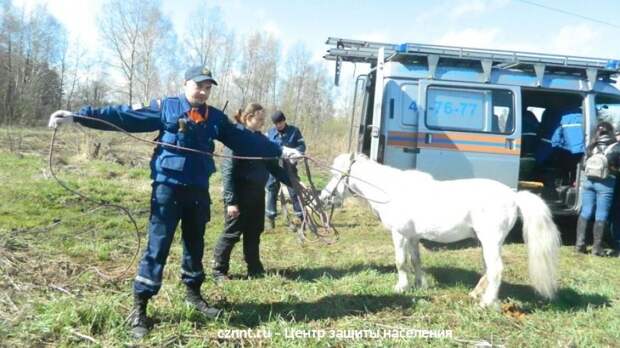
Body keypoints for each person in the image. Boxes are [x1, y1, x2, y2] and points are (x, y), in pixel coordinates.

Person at [47, 66, 302, 339]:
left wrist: (280, 150)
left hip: (197, 191)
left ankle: (194, 295)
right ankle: (140, 308)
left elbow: (244, 140)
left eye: (208, 87)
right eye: (198, 85)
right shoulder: (165, 108)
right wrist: (78, 116)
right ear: (185, 84)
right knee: (158, 246)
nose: (203, 91)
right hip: (167, 190)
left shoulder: (214, 118)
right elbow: (125, 115)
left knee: (195, 244)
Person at [212, 103, 294, 282]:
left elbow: (273, 167)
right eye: (260, 119)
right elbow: (228, 172)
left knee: (254, 231)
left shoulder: (261, 140)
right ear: (249, 118)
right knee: (232, 233)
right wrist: (231, 201)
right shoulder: (237, 138)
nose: (263, 123)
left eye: (263, 120)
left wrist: (294, 183)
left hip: (257, 195)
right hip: (239, 196)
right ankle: (219, 271)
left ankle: (254, 268)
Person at [575, 121, 617, 256]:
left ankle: (579, 245)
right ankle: (596, 248)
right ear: (611, 132)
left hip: (589, 182)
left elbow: (582, 165)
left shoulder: (591, 146)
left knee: (585, 212)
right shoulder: (616, 147)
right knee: (601, 214)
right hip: (606, 184)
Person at [265, 111, 306, 229]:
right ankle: (270, 217)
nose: (278, 125)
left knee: (294, 189)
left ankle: (299, 216)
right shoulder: (270, 133)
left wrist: (294, 153)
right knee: (271, 189)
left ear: (284, 120)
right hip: (273, 166)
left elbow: (302, 147)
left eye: (280, 122)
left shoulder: (294, 131)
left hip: (289, 166)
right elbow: (266, 146)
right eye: (276, 123)